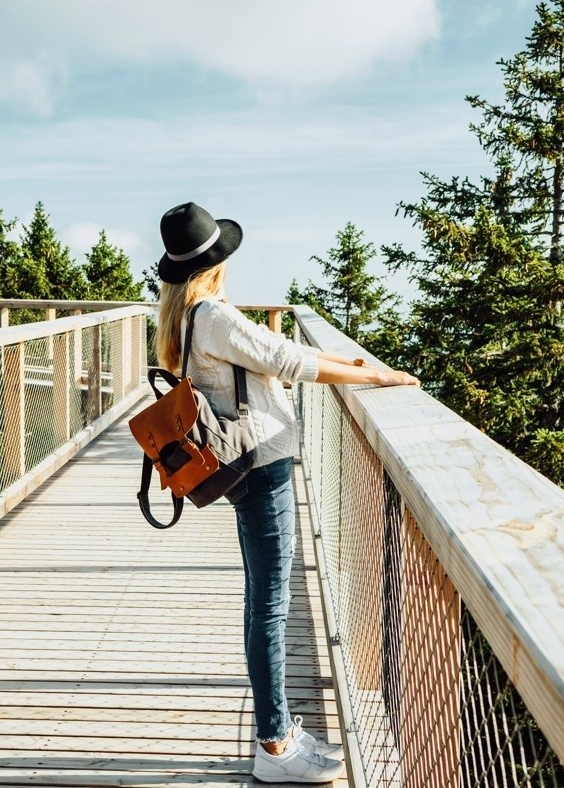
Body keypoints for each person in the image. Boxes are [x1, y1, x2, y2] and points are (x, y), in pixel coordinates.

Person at [154, 202, 420, 784]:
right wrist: (377, 375)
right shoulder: (214, 316)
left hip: (243, 464)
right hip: (261, 463)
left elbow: (276, 357)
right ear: (215, 265)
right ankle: (273, 744)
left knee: (262, 599)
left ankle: (276, 730)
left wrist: (338, 360)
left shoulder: (186, 318)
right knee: (270, 604)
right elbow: (285, 359)